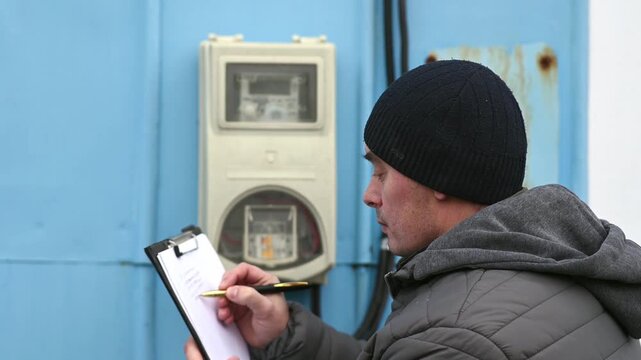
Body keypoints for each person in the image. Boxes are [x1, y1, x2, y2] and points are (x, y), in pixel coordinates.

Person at [185, 60, 641, 359]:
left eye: (382, 172)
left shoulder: (460, 335)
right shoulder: (554, 261)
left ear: (439, 178)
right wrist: (286, 334)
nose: (370, 194)